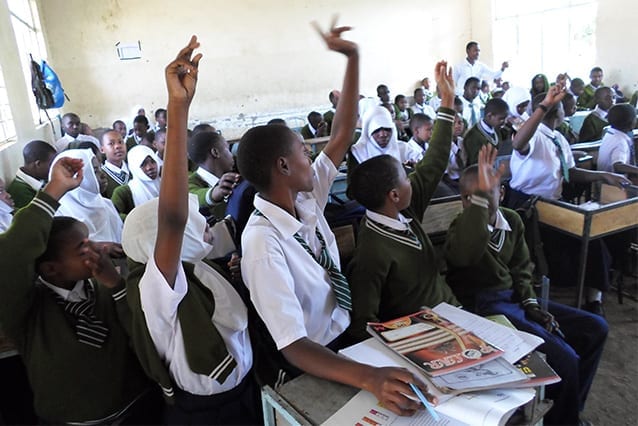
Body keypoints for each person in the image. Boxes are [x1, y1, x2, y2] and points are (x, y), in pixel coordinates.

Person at [238, 19, 432, 416]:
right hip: (314, 359)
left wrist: (352, 56)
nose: (313, 157)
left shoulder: (306, 199)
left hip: (349, 333)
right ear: (283, 167)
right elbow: (292, 344)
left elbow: (343, 132)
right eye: (304, 153)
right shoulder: (262, 241)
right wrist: (368, 377)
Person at [121, 37, 260, 424]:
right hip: (207, 414)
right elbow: (173, 218)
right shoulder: (157, 290)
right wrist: (178, 108)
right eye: (195, 222)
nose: (206, 225)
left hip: (245, 391)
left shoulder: (200, 272)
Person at [445, 145, 608, 426]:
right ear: (462, 200)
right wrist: (481, 203)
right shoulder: (462, 228)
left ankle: (569, 408)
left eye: (486, 194)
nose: (476, 203)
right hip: (486, 309)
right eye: (469, 198)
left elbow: (522, 269)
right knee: (565, 359)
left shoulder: (513, 220)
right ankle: (565, 421)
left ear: (502, 193)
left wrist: (532, 304)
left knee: (595, 328)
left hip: (515, 301)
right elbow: (463, 254)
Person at [0, 157, 158, 424]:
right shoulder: (27, 310)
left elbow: (142, 336)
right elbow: (9, 255)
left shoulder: (106, 285)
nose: (96, 249)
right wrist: (53, 191)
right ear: (51, 269)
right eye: (82, 249)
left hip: (136, 407)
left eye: (91, 241)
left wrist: (117, 287)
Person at [344, 61, 460, 343]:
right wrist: (411, 331)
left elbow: (434, 161)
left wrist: (447, 102)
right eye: (406, 178)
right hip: (424, 335)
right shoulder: (371, 254)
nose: (413, 179)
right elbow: (364, 324)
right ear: (394, 195)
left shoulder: (404, 209)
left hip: (455, 316)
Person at [505, 86, 630, 315]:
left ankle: (594, 298)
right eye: (562, 106)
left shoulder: (558, 137)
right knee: (585, 242)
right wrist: (543, 107)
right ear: (557, 112)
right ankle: (583, 298)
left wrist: (603, 175)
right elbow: (517, 144)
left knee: (598, 236)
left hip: (553, 205)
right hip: (528, 208)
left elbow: (569, 171)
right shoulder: (534, 136)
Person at [52, 149, 124, 243]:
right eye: (94, 171)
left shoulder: (106, 205)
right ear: (75, 176)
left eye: (100, 168)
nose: (103, 175)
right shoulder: (60, 214)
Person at [348, 106, 422, 174]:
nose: (383, 134)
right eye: (377, 130)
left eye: (387, 129)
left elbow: (421, 162)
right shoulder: (358, 152)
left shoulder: (403, 148)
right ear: (369, 131)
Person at [187, 130, 239, 219]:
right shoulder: (189, 184)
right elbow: (196, 197)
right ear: (215, 152)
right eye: (227, 149)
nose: (231, 155)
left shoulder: (234, 169)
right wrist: (217, 191)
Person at [111, 145, 161, 220]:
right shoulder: (123, 192)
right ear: (134, 167)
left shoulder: (167, 183)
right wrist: (138, 221)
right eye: (143, 164)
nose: (150, 167)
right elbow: (114, 215)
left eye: (153, 161)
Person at [459, 98, 510, 169]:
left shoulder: (497, 129)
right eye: (501, 119)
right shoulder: (473, 136)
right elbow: (474, 165)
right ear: (489, 116)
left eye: (505, 118)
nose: (505, 122)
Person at [7, 140, 56, 209]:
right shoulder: (20, 192)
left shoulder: (40, 180)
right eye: (51, 165)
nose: (54, 168)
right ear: (38, 164)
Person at [597, 103, 637, 176]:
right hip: (612, 185)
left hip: (603, 183)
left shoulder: (610, 134)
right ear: (631, 123)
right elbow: (618, 166)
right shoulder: (620, 142)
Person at [100, 130, 130, 198]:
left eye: (120, 142)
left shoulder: (134, 168)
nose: (117, 146)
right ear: (102, 149)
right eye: (111, 143)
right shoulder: (101, 175)